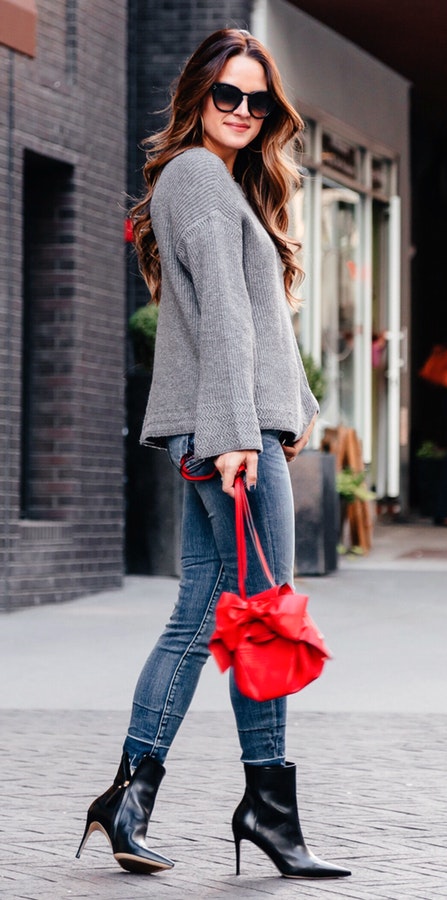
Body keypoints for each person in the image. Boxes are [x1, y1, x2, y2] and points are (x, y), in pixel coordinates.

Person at [76, 28, 351, 880]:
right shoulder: (197, 176)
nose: (239, 110)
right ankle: (267, 811)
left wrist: (296, 403)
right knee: (264, 616)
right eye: (225, 94)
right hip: (226, 435)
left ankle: (128, 798)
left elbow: (249, 322)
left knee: (201, 618)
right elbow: (224, 323)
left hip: (225, 426)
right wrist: (238, 433)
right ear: (196, 95)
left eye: (254, 99)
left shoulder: (224, 184)